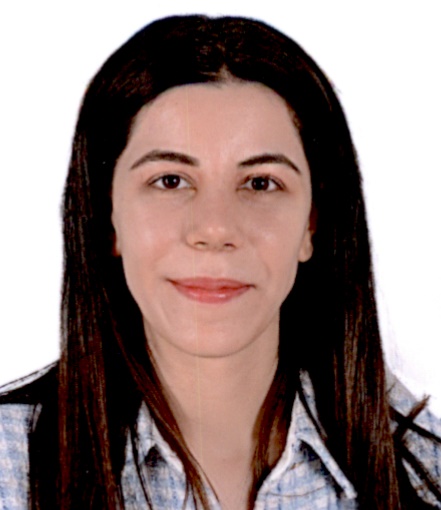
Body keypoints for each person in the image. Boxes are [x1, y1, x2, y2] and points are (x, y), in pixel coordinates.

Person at [0, 14, 440, 510]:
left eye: (260, 183)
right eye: (170, 181)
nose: (214, 228)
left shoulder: (425, 473)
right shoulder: (8, 466)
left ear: (311, 224)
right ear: (109, 218)